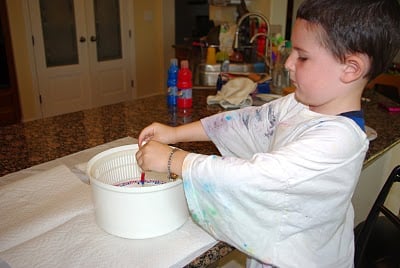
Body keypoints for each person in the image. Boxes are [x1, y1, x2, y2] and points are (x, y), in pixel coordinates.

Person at [136, 0, 400, 267]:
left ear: (351, 69)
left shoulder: (339, 142)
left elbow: (256, 177)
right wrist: (175, 133)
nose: (288, 63)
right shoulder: (299, 103)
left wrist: (173, 159)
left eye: (303, 56)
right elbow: (245, 122)